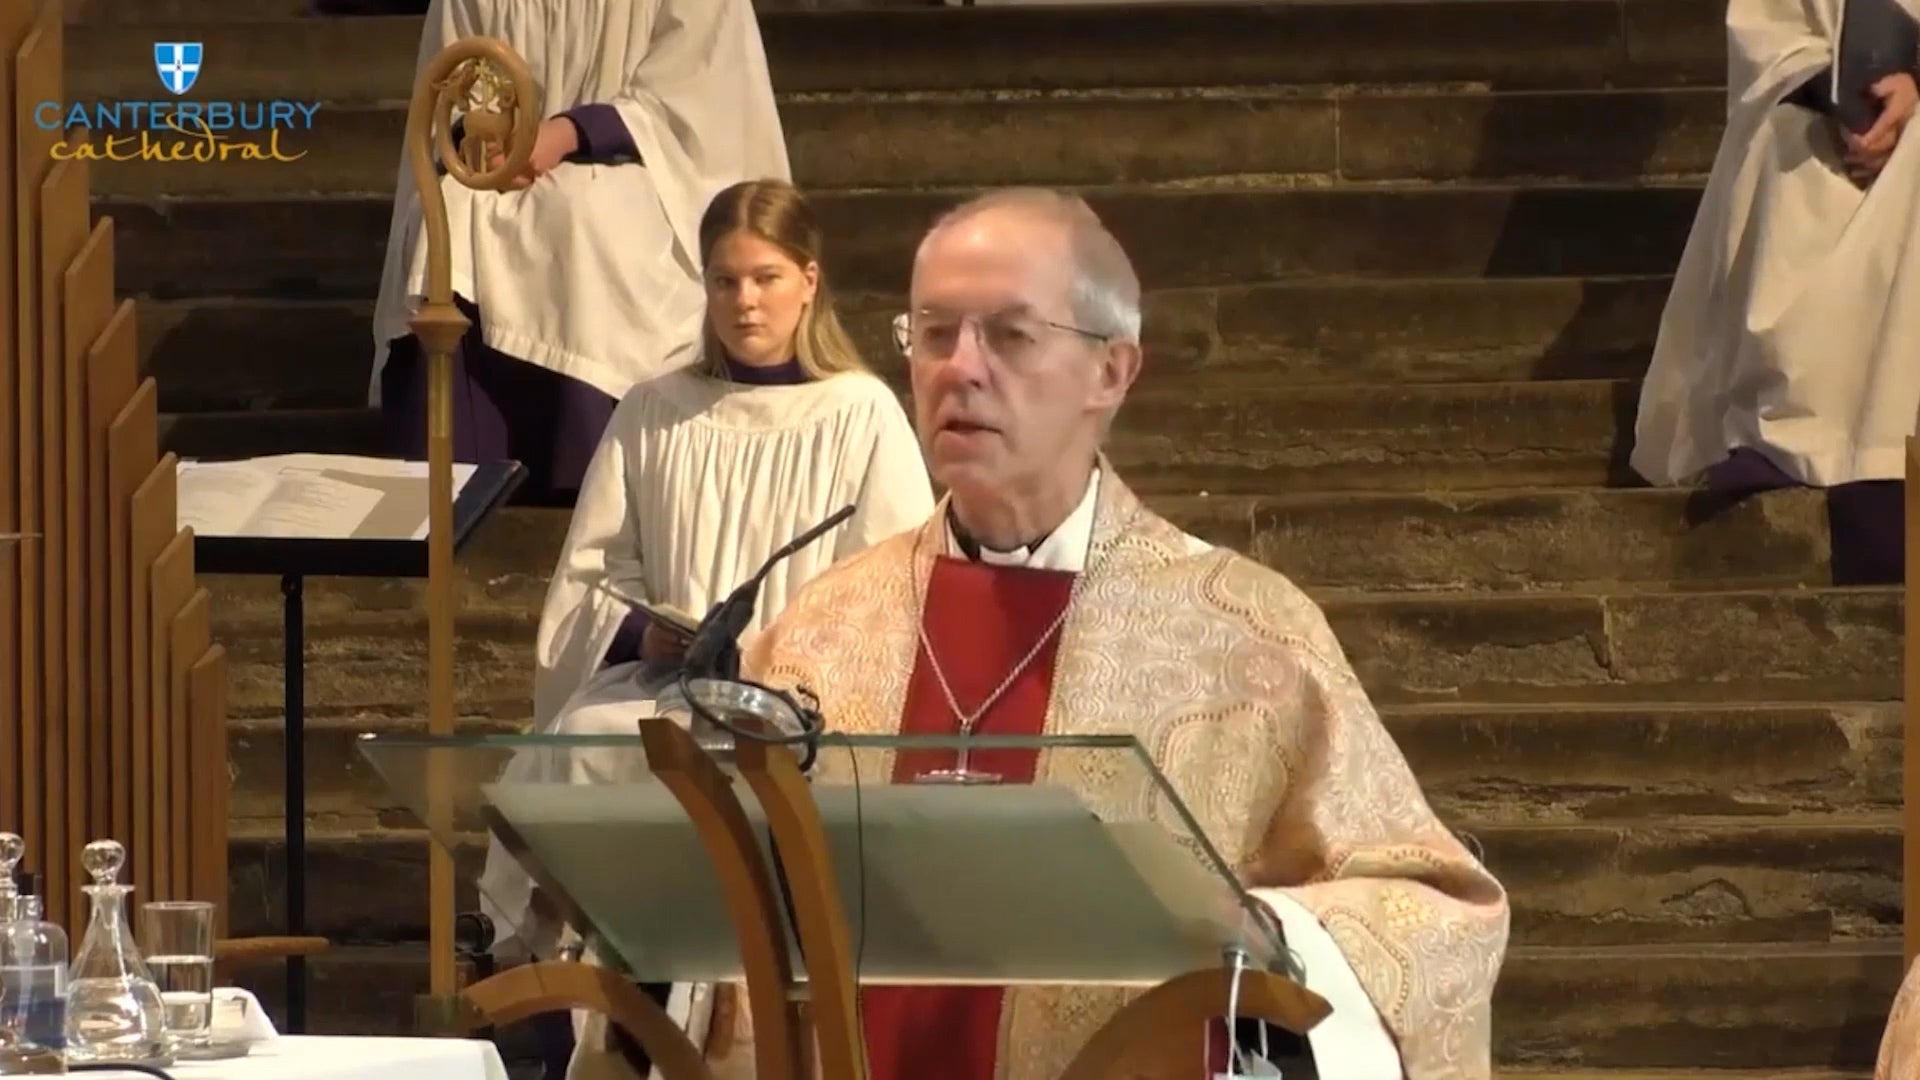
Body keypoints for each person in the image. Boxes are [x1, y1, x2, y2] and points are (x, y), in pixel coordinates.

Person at [698, 188, 1509, 1079]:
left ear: (1111, 372)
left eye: (1009, 334)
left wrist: (1264, 932)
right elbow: (724, 909)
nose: (958, 368)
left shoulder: (1244, 635)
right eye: (934, 333)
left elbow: (1435, 908)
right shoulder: (824, 623)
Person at [474, 178, 936, 1077]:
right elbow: (594, 577)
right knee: (584, 740)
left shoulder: (859, 412)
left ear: (809, 279)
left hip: (801, 703)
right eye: (725, 281)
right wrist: (643, 636)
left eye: (765, 278)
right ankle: (604, 1013)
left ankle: (720, 1035)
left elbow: (899, 589)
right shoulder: (656, 409)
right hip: (666, 684)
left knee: (744, 775)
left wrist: (797, 657)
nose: (744, 302)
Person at [370, 0, 791, 506]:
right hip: (504, 167)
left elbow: (698, 89)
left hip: (643, 164)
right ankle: (456, 481)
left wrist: (567, 134)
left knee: (580, 214)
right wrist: (488, 140)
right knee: (449, 214)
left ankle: (589, 480)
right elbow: (452, 83)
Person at [1630, 0, 1920, 584]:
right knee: (1792, 145)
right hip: (1832, 106)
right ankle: (1816, 436)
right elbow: (1770, 33)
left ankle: (1884, 463)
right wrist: (1845, 95)